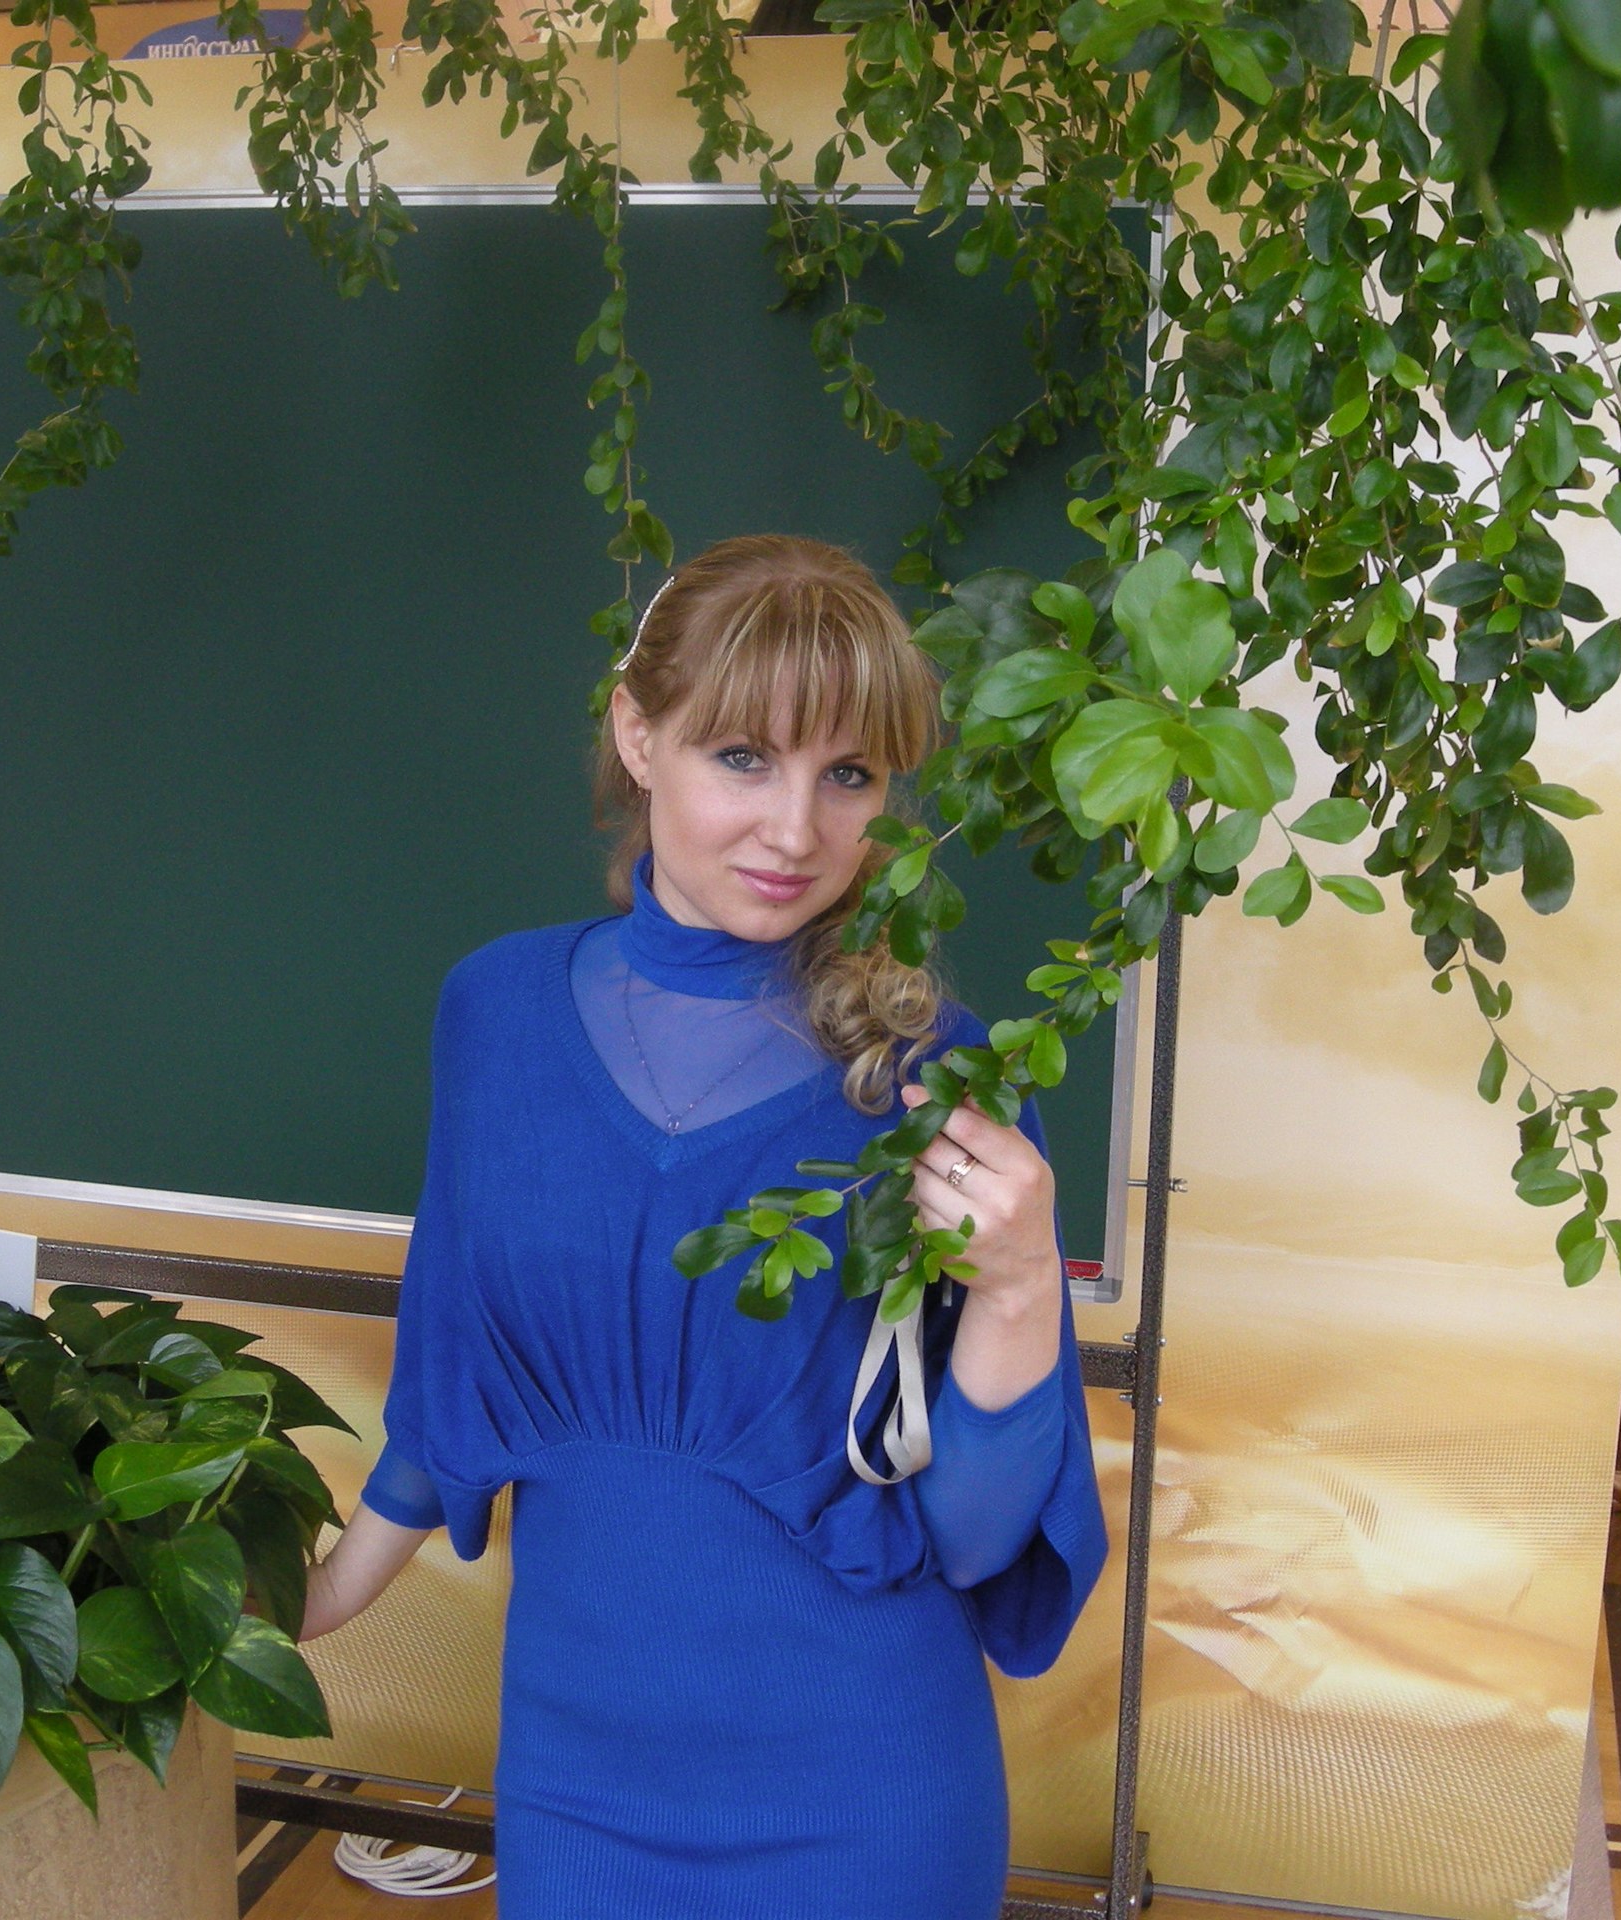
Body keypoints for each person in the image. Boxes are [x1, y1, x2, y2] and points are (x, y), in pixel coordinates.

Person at [301, 533, 1111, 1919]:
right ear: (639, 733)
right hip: (575, 1783)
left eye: (849, 775)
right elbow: (455, 1378)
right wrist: (313, 1601)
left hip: (867, 1802)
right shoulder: (495, 1013)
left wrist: (1022, 1285)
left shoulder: (937, 1074)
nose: (796, 832)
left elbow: (975, 1545)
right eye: (744, 757)